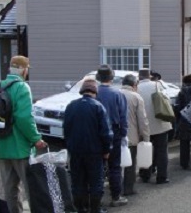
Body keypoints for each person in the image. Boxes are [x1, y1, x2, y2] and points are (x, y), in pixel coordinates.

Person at [0, 55, 47, 213]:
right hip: (20, 147)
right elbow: (24, 117)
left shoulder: (0, 85)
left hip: (3, 145)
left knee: (10, 189)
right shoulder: (22, 87)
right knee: (31, 187)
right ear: (23, 70)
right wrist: (36, 138)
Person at [63, 79, 113, 213]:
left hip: (75, 151)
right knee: (96, 181)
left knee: (78, 181)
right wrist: (107, 149)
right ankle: (95, 209)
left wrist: (70, 146)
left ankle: (81, 208)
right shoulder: (98, 106)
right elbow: (106, 132)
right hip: (94, 152)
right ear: (95, 91)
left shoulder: (71, 106)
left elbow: (65, 129)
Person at [95, 64, 129, 207]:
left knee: (98, 167)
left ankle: (97, 199)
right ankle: (116, 197)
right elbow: (123, 117)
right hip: (114, 132)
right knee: (114, 166)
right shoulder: (117, 94)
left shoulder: (94, 92)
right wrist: (123, 134)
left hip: (95, 133)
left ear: (98, 77)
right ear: (112, 77)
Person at [137, 68, 172, 184]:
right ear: (150, 76)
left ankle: (145, 174)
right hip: (160, 122)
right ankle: (162, 177)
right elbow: (167, 101)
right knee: (162, 151)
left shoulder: (136, 88)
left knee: (145, 149)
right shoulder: (157, 85)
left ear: (139, 77)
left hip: (143, 125)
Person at [120, 74, 150, 195]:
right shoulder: (136, 97)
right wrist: (146, 137)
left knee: (115, 164)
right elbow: (142, 120)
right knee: (130, 164)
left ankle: (115, 189)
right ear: (134, 85)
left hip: (114, 136)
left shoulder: (115, 94)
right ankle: (128, 189)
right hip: (130, 136)